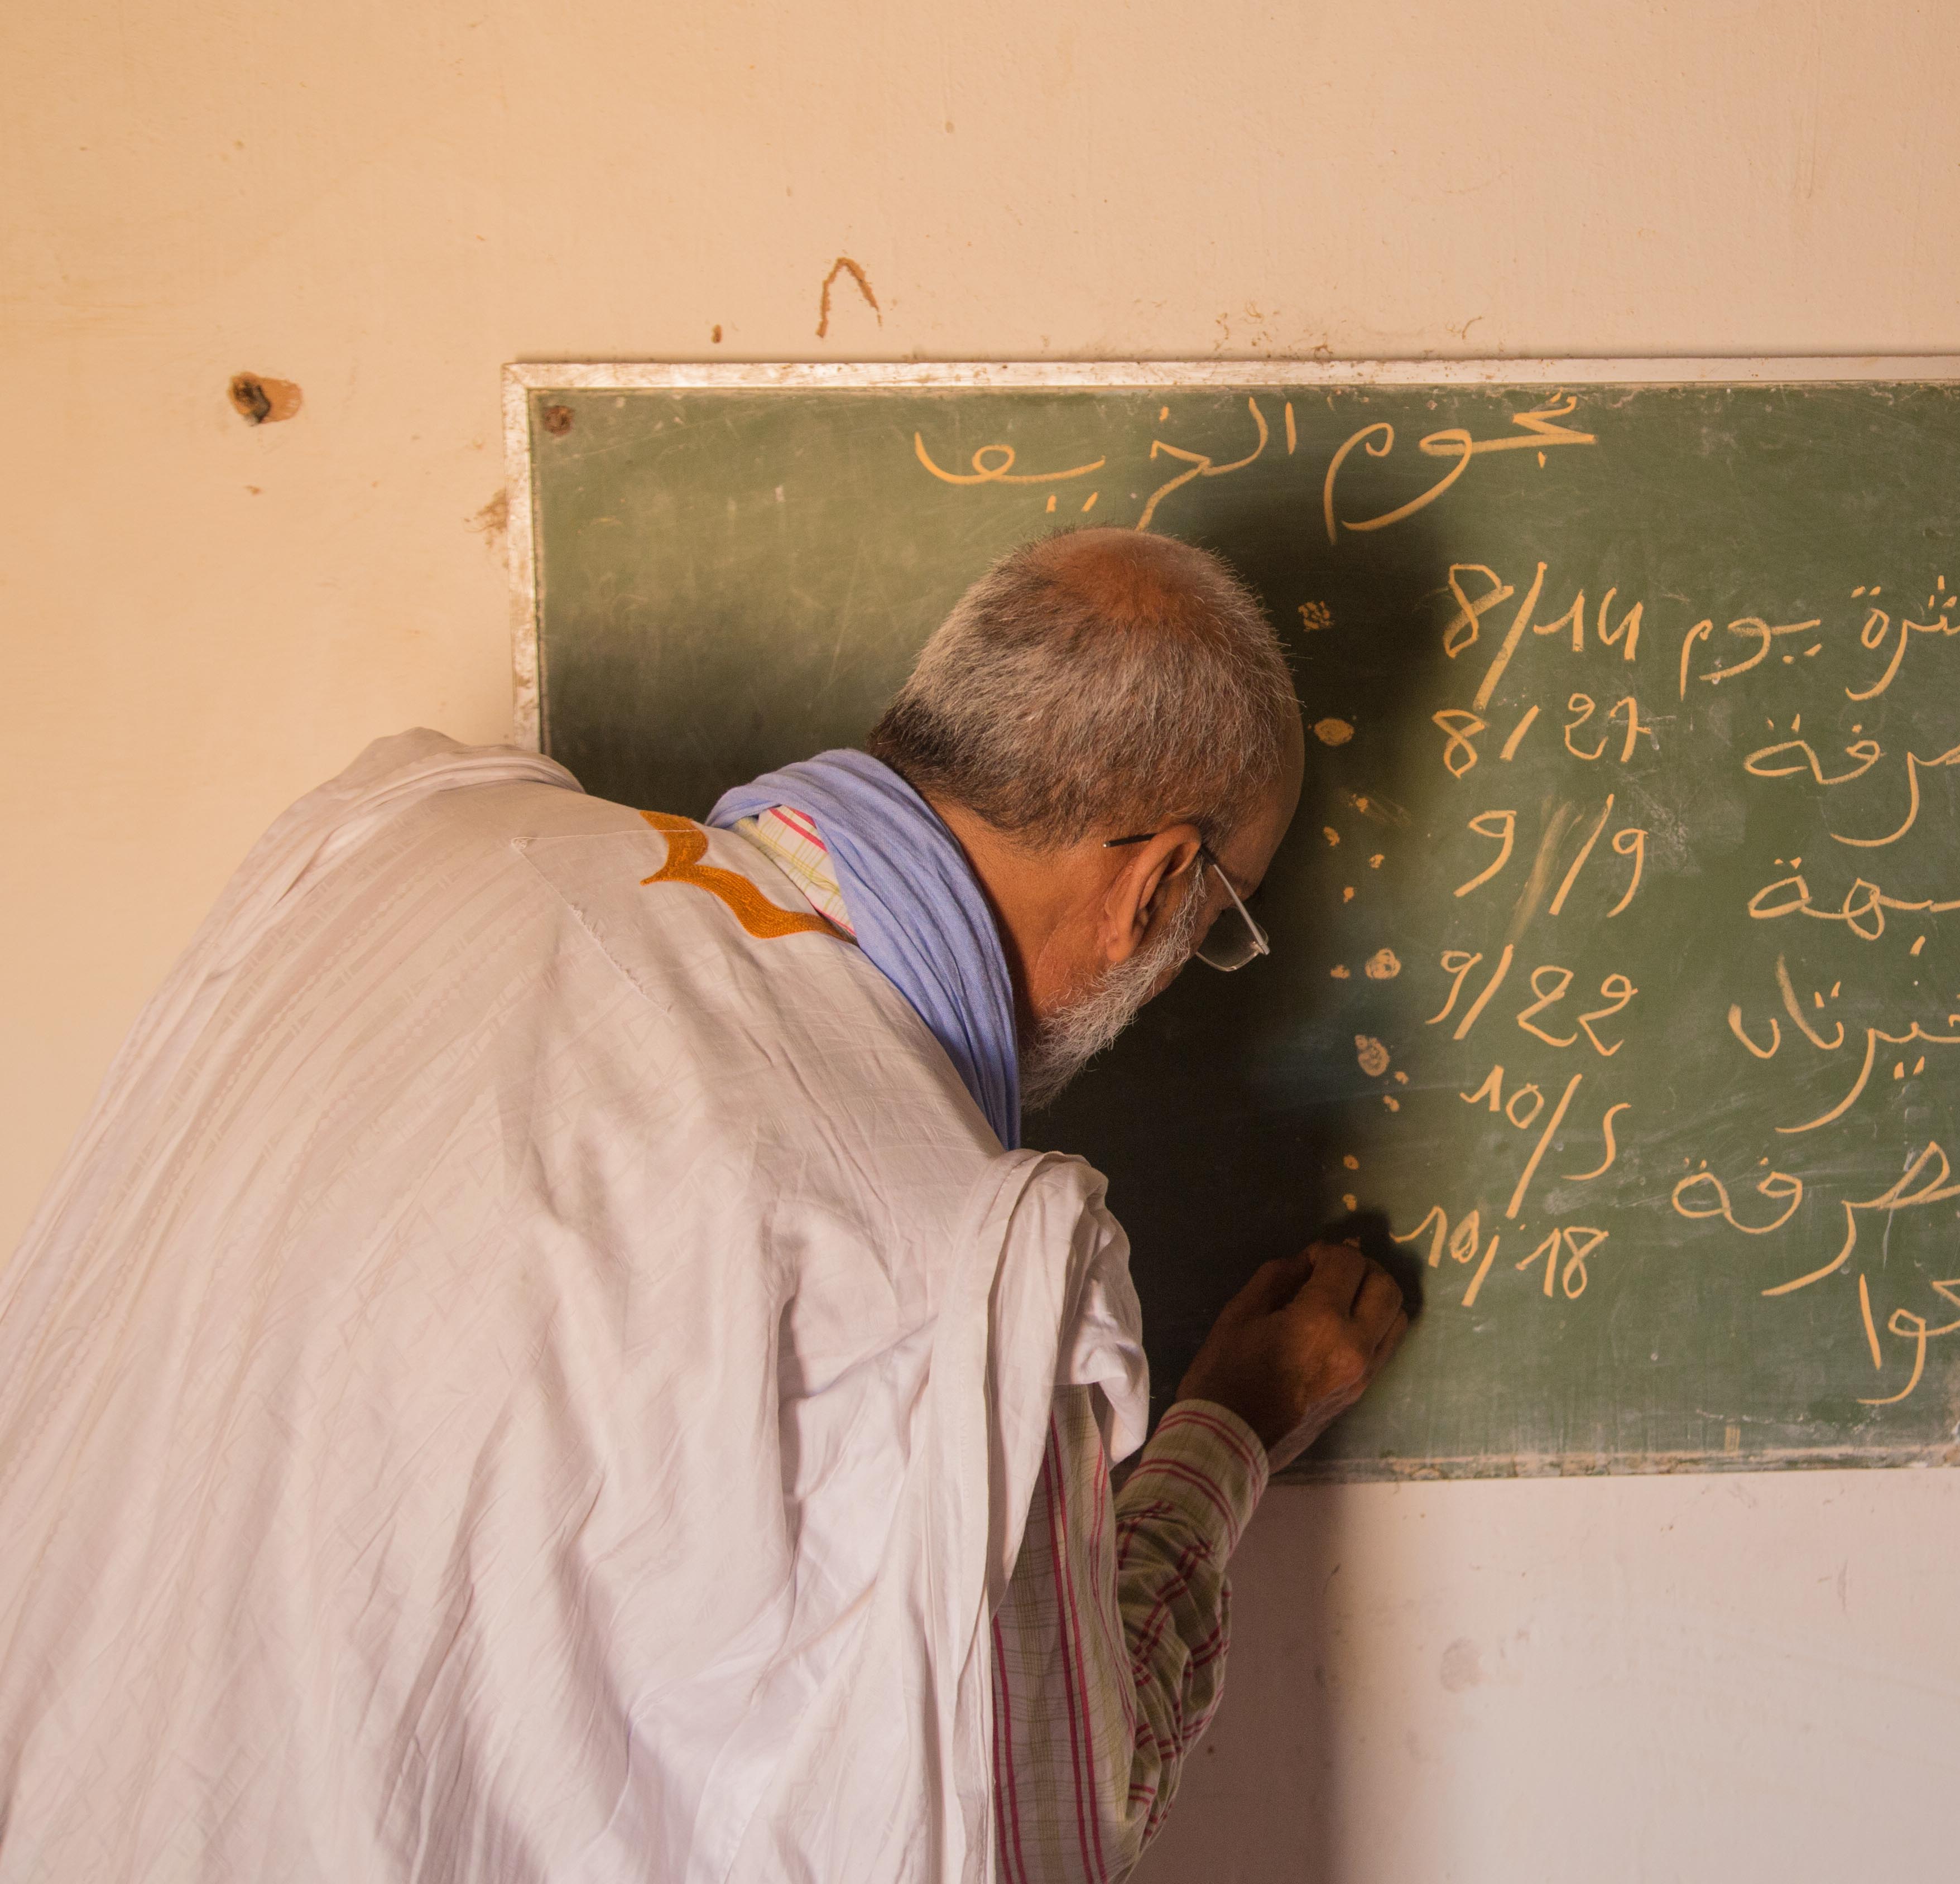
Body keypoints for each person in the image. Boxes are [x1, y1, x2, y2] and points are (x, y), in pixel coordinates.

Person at [0, 528, 1405, 1882]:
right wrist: (1231, 1428)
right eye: (1215, 917)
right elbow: (1042, 1820)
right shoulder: (952, 1263)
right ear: (1157, 885)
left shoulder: (415, 837)